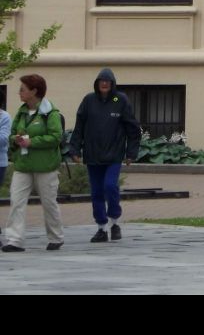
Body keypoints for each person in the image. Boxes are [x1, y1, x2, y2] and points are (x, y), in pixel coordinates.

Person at [68, 68, 141, 242]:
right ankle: (101, 227)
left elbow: (133, 129)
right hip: (93, 155)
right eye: (101, 81)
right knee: (96, 192)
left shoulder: (121, 100)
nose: (104, 83)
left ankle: (114, 221)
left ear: (112, 84)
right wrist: (74, 150)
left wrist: (131, 152)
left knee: (110, 186)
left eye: (107, 81)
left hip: (114, 155)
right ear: (97, 83)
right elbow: (79, 128)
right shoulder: (88, 100)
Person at [3, 75, 65, 252]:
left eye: (23, 89)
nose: (19, 92)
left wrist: (32, 142)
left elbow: (56, 137)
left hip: (45, 166)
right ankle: (14, 240)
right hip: (23, 166)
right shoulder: (21, 112)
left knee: (48, 202)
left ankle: (56, 237)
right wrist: (15, 139)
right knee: (16, 201)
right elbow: (12, 133)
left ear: (34, 91)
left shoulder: (50, 113)